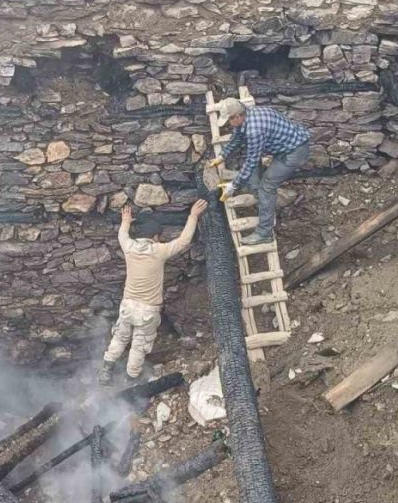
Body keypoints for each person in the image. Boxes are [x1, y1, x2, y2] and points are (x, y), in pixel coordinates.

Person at [99, 199, 208, 386]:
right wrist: (193, 216)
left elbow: (122, 235)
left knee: (120, 337)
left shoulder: (130, 247)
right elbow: (184, 241)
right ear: (155, 237)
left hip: (127, 305)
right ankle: (131, 377)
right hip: (147, 310)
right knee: (139, 344)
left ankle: (106, 371)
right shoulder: (159, 251)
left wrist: (125, 220)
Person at [207, 98, 311, 245]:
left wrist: (234, 186)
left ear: (237, 116)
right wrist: (222, 156)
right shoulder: (247, 115)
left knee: (267, 187)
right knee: (257, 178)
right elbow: (237, 138)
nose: (229, 124)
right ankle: (259, 196)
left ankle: (264, 233)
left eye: (229, 120)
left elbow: (252, 161)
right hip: (286, 147)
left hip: (294, 153)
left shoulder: (254, 130)